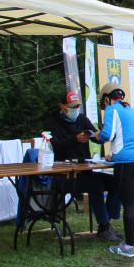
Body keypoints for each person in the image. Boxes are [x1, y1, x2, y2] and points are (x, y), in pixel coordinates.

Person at [44, 91, 121, 242]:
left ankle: (107, 222)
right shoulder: (51, 123)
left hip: (84, 170)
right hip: (63, 175)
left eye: (78, 106)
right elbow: (54, 146)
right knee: (95, 184)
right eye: (72, 107)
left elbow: (96, 137)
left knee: (116, 180)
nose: (75, 110)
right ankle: (104, 225)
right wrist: (75, 139)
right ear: (62, 107)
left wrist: (99, 135)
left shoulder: (81, 119)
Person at [91, 82, 134, 257]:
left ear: (107, 98)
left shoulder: (112, 110)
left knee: (129, 204)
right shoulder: (132, 111)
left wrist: (95, 135)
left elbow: (107, 135)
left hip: (126, 162)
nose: (105, 107)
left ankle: (127, 247)